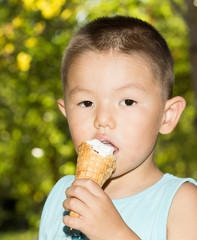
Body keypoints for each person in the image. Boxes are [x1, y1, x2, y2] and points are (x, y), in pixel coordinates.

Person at [39, 16, 197, 240]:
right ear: (67, 114)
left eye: (128, 102)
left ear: (166, 116)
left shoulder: (183, 204)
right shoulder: (62, 194)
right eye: (86, 103)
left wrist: (115, 234)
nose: (103, 119)